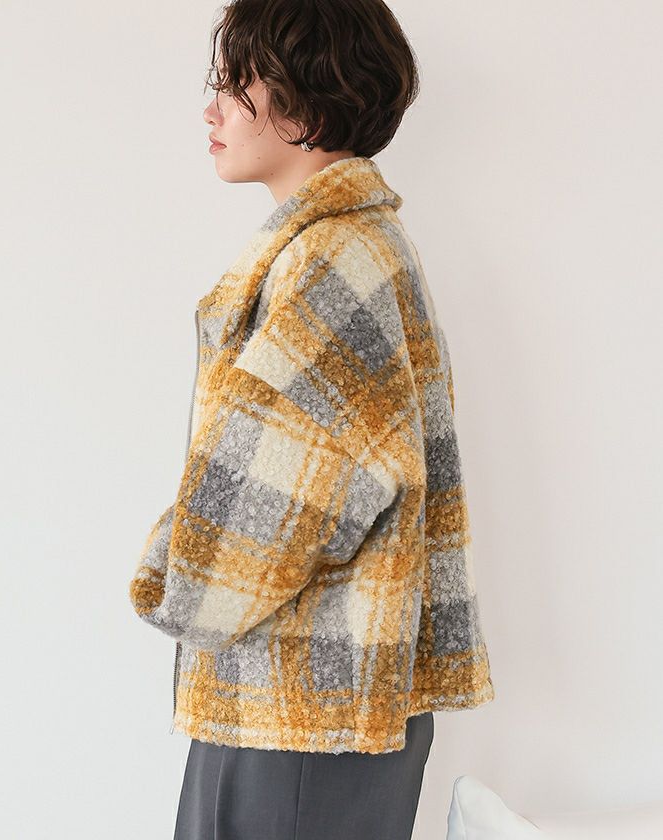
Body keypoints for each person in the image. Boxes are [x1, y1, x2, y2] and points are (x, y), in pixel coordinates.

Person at [128, 1, 495, 837]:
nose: (212, 110)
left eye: (236, 85)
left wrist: (170, 578)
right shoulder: (346, 247)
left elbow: (272, 505)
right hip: (310, 710)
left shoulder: (332, 259)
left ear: (306, 102)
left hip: (300, 720)